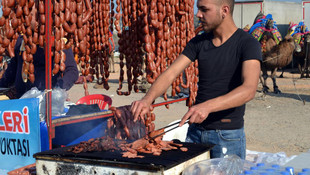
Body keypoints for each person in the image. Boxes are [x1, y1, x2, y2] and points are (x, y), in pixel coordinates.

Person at [131, 0, 262, 159]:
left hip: (227, 136)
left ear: (224, 11)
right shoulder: (199, 42)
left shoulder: (248, 44)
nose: (198, 14)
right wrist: (147, 99)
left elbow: (248, 90)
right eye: (198, 9)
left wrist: (207, 107)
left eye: (204, 9)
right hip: (195, 132)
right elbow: (171, 73)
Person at [0, 6, 78, 99]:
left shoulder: (57, 41)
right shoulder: (21, 40)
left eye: (34, 15)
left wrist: (57, 90)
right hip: (21, 101)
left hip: (45, 102)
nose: (27, 18)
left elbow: (72, 71)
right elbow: (12, 70)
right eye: (30, 15)